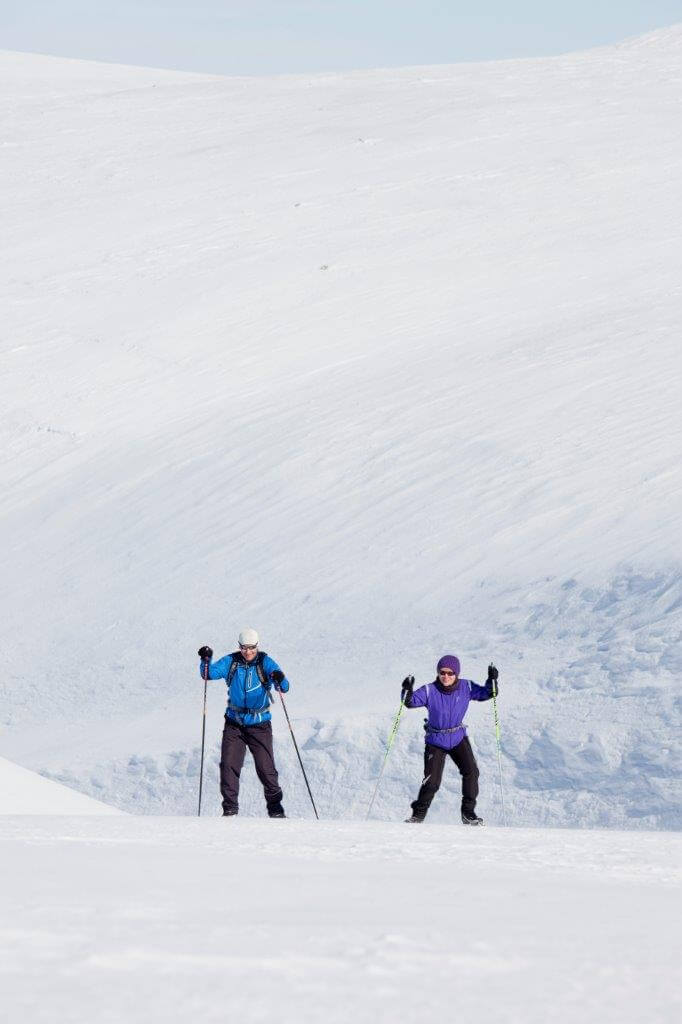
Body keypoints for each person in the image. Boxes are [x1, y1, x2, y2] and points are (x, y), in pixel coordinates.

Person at [197, 628, 290, 818]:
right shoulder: (232, 661)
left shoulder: (265, 662)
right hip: (234, 723)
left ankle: (276, 808)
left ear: (257, 646)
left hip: (259, 724)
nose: (248, 652)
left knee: (266, 768)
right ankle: (230, 809)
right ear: (239, 646)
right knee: (229, 765)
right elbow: (209, 674)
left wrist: (280, 679)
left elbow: (284, 686)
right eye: (244, 648)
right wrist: (205, 660)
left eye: (251, 648)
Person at [402, 656, 499, 825]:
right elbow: (409, 702)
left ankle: (468, 814)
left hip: (457, 737)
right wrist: (407, 690)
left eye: (450, 673)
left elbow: (488, 693)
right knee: (432, 782)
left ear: (457, 674)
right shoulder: (429, 690)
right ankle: (418, 815)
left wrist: (492, 680)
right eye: (442, 673)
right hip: (436, 740)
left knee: (472, 772)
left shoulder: (466, 687)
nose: (446, 676)